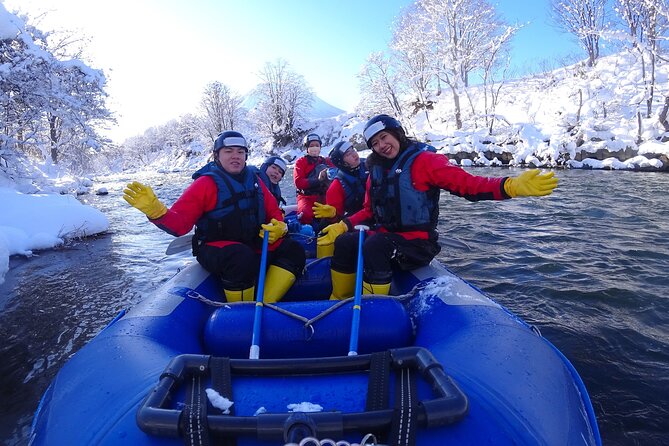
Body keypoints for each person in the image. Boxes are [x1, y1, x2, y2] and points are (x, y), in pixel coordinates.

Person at [317, 114, 558, 300]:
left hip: (417, 244)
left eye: (384, 137)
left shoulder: (426, 161)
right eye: (375, 143)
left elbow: (469, 185)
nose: (382, 145)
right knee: (346, 242)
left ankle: (373, 310)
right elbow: (369, 211)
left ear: (397, 134)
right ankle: (340, 300)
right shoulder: (376, 172)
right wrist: (343, 225)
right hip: (387, 237)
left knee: (375, 246)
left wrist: (509, 186)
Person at [123, 130, 306, 304]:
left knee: (293, 249)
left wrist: (280, 227)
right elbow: (180, 225)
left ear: (246, 156)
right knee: (241, 257)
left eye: (240, 152)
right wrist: (157, 212)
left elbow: (274, 211)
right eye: (228, 151)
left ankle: (265, 303)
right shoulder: (205, 183)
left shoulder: (256, 180)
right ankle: (243, 311)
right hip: (216, 247)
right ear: (217, 155)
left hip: (251, 243)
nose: (235, 156)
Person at [293, 133, 333, 225]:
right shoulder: (301, 162)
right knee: (305, 215)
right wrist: (318, 180)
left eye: (317, 145)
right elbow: (298, 182)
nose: (314, 148)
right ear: (307, 148)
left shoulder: (326, 161)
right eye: (311, 145)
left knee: (334, 212)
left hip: (324, 195)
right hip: (306, 197)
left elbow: (336, 173)